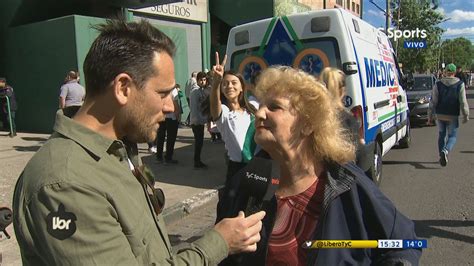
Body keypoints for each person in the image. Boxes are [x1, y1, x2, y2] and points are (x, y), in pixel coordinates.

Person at [12, 19, 265, 265]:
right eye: (162, 93)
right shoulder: (65, 182)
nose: (169, 107)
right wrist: (218, 242)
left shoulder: (120, 149)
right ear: (123, 88)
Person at [223, 66, 422, 265]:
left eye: (274, 107)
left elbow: (403, 244)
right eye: (260, 106)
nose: (259, 114)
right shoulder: (245, 182)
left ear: (308, 124)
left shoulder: (346, 183)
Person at [210, 53, 258, 222]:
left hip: (257, 168)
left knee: (253, 212)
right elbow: (215, 109)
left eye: (233, 82)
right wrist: (216, 82)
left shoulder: (253, 109)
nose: (229, 86)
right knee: (231, 213)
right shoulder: (224, 112)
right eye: (225, 84)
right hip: (236, 171)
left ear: (242, 87)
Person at [318, 67, 364, 161]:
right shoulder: (347, 119)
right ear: (341, 90)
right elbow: (358, 155)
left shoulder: (313, 116)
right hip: (341, 173)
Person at [428, 63, 469, 167]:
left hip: (440, 114)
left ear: (445, 72)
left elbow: (433, 101)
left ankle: (441, 154)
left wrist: (430, 116)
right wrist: (465, 114)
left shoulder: (438, 84)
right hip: (453, 114)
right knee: (452, 136)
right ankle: (445, 151)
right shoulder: (460, 84)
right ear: (454, 73)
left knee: (441, 135)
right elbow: (463, 101)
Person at [156, 84, 181, 164]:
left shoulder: (160, 90)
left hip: (162, 116)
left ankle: (159, 157)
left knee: (161, 137)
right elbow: (176, 104)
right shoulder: (173, 91)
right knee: (171, 138)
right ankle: (168, 157)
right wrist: (178, 116)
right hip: (171, 117)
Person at [189, 71, 210, 169]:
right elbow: (193, 107)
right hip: (196, 121)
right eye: (201, 80)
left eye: (204, 80)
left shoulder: (202, 90)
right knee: (198, 142)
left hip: (201, 121)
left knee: (200, 143)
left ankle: (198, 161)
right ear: (197, 80)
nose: (203, 82)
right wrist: (196, 120)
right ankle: (196, 162)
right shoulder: (195, 92)